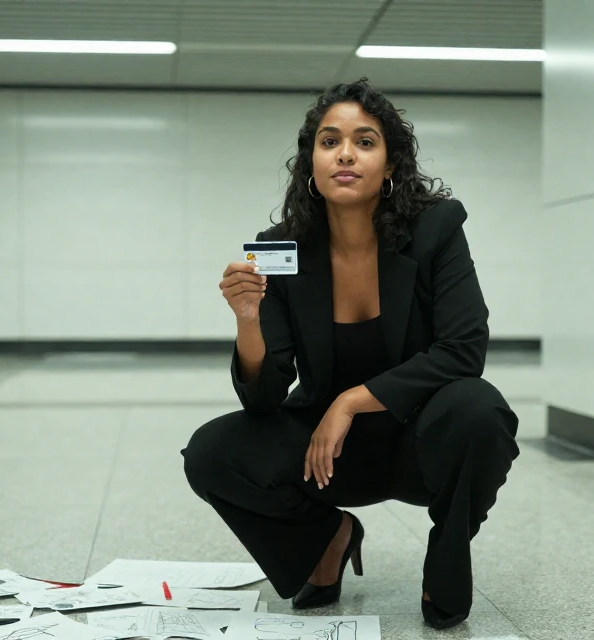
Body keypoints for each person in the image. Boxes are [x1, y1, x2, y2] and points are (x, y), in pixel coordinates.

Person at [180, 78, 519, 630]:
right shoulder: (278, 248)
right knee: (212, 452)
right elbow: (265, 397)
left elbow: (463, 351)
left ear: (390, 165)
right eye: (329, 140)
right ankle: (328, 539)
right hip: (327, 457)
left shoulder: (435, 229)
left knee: (479, 409)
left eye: (364, 141)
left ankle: (448, 552)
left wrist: (349, 403)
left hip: (420, 441)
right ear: (309, 163)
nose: (344, 153)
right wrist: (247, 322)